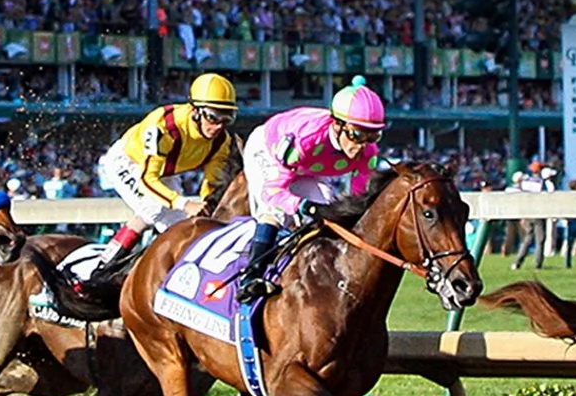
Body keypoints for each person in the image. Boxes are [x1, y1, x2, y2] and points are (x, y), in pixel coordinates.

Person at [74, 73, 240, 283]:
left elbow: (211, 184)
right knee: (161, 215)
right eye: (213, 118)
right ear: (195, 111)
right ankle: (97, 273)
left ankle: (110, 265)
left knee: (178, 222)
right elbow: (146, 179)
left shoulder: (221, 142)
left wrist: (208, 206)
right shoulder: (164, 126)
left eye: (227, 119)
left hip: (163, 172)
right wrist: (184, 203)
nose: (218, 127)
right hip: (129, 163)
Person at [234, 79, 389, 303]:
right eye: (357, 135)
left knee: (328, 207)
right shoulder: (305, 141)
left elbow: (358, 199)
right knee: (275, 212)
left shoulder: (368, 154)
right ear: (337, 125)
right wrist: (303, 205)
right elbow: (274, 191)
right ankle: (251, 276)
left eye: (373, 136)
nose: (362, 146)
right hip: (269, 150)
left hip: (311, 164)